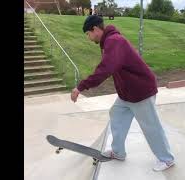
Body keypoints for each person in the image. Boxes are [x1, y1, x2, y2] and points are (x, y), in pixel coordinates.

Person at [70, 15, 175, 171]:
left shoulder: (114, 41)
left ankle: (166, 159)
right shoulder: (109, 41)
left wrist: (80, 87)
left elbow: (105, 69)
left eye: (88, 34)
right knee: (116, 114)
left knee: (150, 126)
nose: (88, 38)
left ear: (95, 29)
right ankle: (118, 152)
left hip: (141, 91)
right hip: (127, 94)